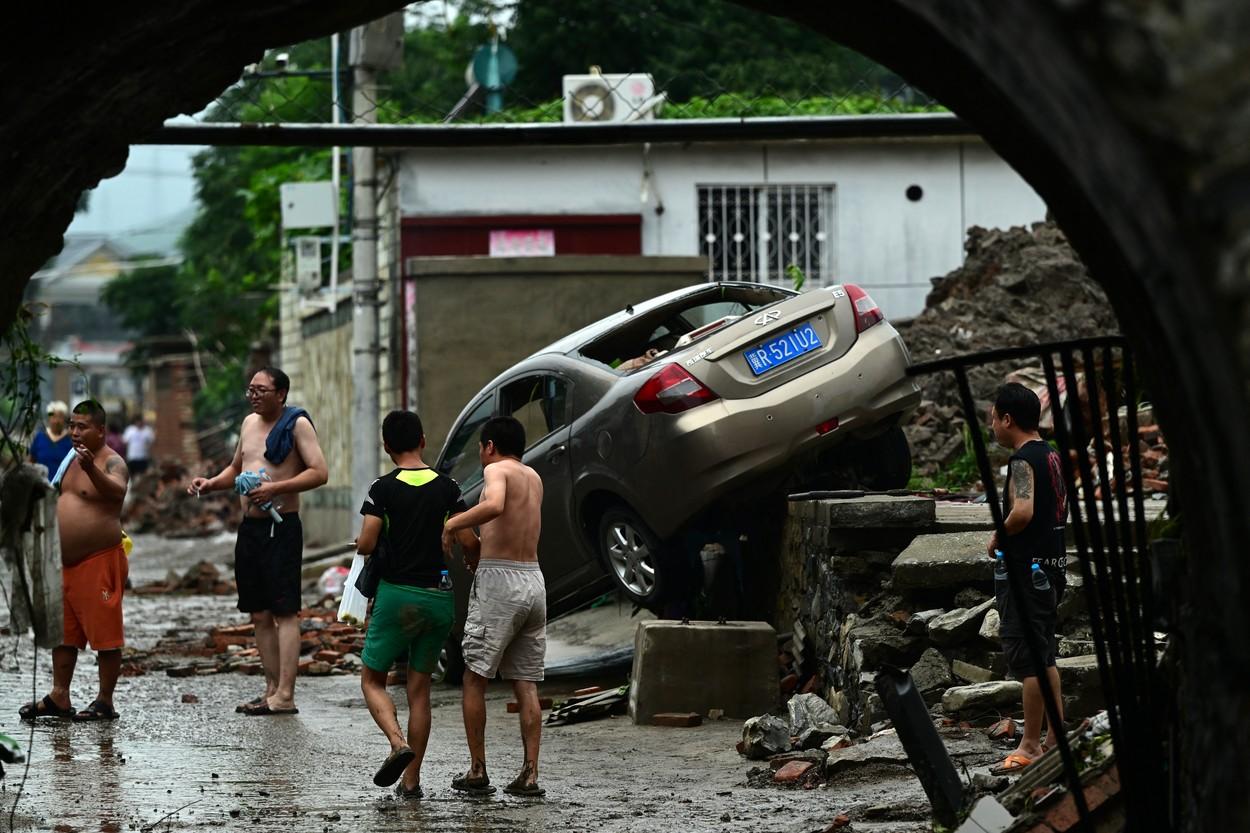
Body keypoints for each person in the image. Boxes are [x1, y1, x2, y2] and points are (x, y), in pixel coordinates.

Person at [187, 367, 327, 715]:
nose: (254, 395)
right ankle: (270, 689)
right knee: (259, 612)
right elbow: (236, 468)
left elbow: (319, 473)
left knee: (285, 611)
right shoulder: (249, 424)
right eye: (250, 389)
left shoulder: (297, 425)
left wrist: (274, 488)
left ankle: (286, 694)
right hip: (250, 528)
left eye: (262, 390)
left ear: (281, 394)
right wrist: (211, 483)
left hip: (282, 528)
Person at [355, 410, 480, 799]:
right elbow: (470, 541)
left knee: (372, 679)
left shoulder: (382, 489)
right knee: (419, 691)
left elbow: (367, 543)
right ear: (423, 440)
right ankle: (411, 783)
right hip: (439, 598)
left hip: (396, 597)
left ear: (386, 446)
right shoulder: (448, 487)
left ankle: (396, 742)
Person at [441, 415, 547, 798]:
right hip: (533, 579)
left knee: (474, 677)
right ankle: (530, 774)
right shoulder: (533, 477)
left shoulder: (497, 470)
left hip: (501, 583)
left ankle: (477, 770)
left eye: (480, 448)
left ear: (489, 446)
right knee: (526, 681)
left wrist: (454, 524)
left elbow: (497, 506)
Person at [19, 399, 130, 722]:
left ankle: (105, 701)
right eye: (72, 425)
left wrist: (91, 469)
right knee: (63, 634)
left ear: (101, 430)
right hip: (64, 562)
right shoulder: (69, 459)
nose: (75, 432)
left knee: (106, 635)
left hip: (99, 559)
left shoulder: (113, 463)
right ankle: (59, 695)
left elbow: (117, 492)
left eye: (83, 427)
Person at [986, 382, 1069, 773]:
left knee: (1029, 660)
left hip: (1025, 573)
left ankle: (1030, 744)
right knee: (1045, 653)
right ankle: (1056, 737)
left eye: (992, 418)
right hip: (1051, 569)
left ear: (1008, 419)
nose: (992, 427)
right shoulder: (1050, 455)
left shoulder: (1021, 462)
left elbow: (1022, 511)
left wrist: (997, 536)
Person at [28, 400, 72, 475]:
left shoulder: (70, 440)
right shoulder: (40, 437)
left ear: (64, 419)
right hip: (41, 483)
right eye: (53, 416)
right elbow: (31, 462)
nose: (56, 421)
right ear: (49, 417)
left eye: (60, 417)